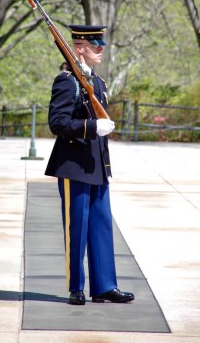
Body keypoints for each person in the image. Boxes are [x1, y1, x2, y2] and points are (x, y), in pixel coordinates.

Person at [45, 25, 134, 306]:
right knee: (77, 227)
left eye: (101, 45)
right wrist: (92, 126)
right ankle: (76, 287)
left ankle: (105, 285)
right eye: (96, 45)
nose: (101, 49)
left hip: (97, 166)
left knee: (101, 225)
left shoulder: (99, 82)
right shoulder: (67, 81)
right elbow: (57, 123)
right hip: (73, 165)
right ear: (80, 47)